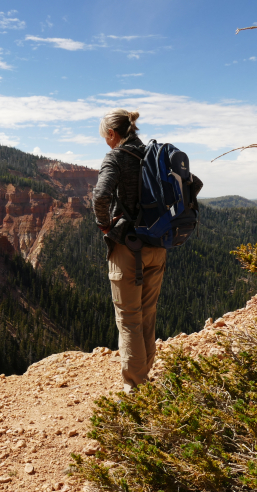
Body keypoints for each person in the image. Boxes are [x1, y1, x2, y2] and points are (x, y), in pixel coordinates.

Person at [92, 109, 166, 393]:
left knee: (128, 317)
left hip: (128, 247)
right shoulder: (151, 154)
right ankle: (144, 376)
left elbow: (101, 195)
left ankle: (135, 388)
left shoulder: (116, 157)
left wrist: (105, 226)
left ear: (113, 134)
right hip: (158, 245)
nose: (105, 143)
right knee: (147, 313)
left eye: (104, 137)